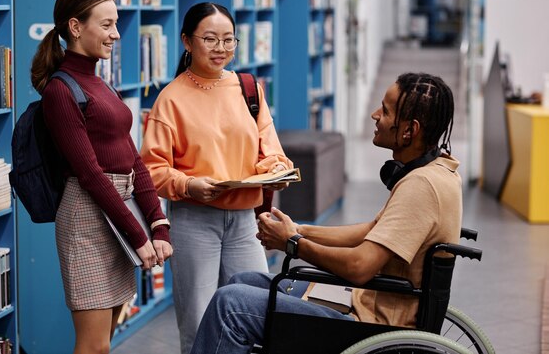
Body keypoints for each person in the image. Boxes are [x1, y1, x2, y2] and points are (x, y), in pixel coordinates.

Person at [189, 72, 462, 354]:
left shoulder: (420, 186)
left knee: (230, 304)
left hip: (368, 326)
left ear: (409, 130)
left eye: (386, 110)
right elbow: (371, 231)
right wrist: (300, 230)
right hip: (365, 307)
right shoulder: (438, 172)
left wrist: (292, 245)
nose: (375, 115)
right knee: (243, 281)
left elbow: (359, 267)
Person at [139, 1, 293, 354]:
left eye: (228, 39)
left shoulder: (249, 89)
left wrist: (275, 172)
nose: (221, 48)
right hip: (194, 221)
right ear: (187, 42)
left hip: (244, 222)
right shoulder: (171, 98)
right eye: (209, 39)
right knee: (198, 321)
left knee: (259, 311)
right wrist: (188, 184)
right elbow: (152, 169)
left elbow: (270, 150)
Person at [31, 0, 173, 354]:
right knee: (93, 346)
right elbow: (91, 175)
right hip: (87, 223)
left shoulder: (99, 81)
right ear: (76, 28)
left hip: (118, 211)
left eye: (116, 24)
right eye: (107, 25)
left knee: (105, 341)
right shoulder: (61, 91)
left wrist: (158, 222)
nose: (115, 34)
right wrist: (139, 237)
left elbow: (133, 158)